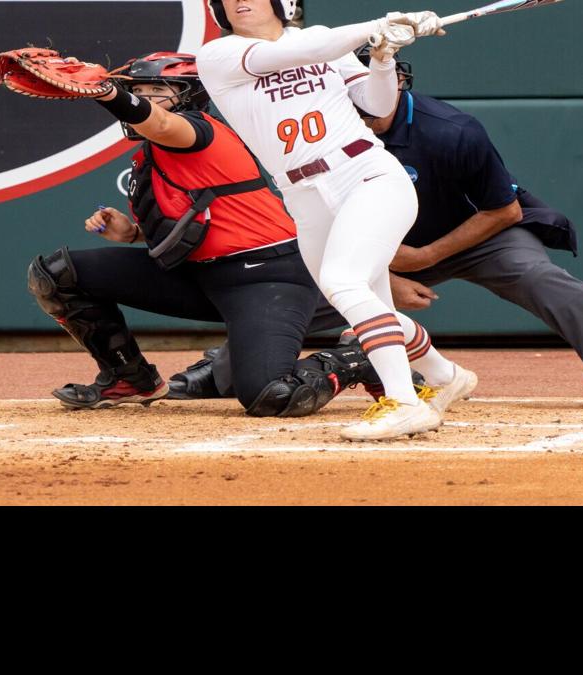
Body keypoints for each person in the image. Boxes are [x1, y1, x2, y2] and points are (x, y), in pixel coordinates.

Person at [174, 47, 583, 411]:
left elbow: (504, 211)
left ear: (396, 82)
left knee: (539, 276)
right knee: (317, 288)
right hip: (382, 243)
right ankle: (226, 370)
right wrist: (390, 272)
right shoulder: (319, 139)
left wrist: (420, 259)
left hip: (480, 234)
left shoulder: (451, 130)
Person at [27, 51, 390, 417]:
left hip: (267, 277)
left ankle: (358, 356)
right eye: (138, 90)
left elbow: (164, 126)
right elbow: (198, 224)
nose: (145, 98)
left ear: (190, 95)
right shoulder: (151, 154)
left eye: (156, 90)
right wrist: (134, 233)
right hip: (201, 275)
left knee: (270, 394)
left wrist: (108, 93)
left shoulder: (198, 129)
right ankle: (128, 378)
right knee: (58, 273)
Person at [198, 0, 469, 441]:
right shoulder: (219, 55)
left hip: (366, 173)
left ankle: (404, 402)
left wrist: (383, 57)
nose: (237, 1)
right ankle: (444, 375)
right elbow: (297, 54)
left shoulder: (322, 40)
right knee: (358, 300)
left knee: (345, 282)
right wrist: (378, 26)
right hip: (304, 195)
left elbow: (377, 104)